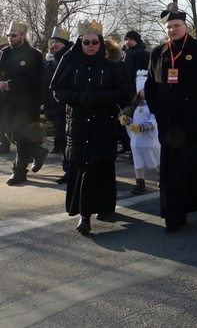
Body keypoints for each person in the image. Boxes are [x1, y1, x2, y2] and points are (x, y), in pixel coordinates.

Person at [144, 4, 197, 233]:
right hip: (169, 124)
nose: (172, 30)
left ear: (185, 26)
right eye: (168, 26)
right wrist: (157, 109)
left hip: (194, 122)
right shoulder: (157, 52)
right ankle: (174, 215)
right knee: (171, 172)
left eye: (176, 25)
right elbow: (150, 85)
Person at [50, 20, 130, 233]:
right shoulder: (71, 66)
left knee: (101, 166)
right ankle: (84, 215)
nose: (91, 45)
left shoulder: (111, 68)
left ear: (101, 44)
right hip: (78, 124)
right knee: (82, 166)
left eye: (95, 42)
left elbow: (123, 92)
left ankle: (104, 207)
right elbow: (58, 91)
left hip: (103, 125)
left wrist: (100, 98)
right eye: (87, 42)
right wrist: (78, 97)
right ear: (80, 43)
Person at [1, 21, 48, 185]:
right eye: (9, 36)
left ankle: (19, 172)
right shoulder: (4, 53)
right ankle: (37, 152)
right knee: (10, 133)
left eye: (13, 36)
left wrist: (10, 84)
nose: (10, 39)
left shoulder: (33, 54)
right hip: (6, 101)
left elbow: (35, 79)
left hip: (25, 103)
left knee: (20, 134)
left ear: (22, 35)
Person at [122, 70, 160, 194]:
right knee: (138, 162)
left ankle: (164, 177)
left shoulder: (154, 105)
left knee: (156, 159)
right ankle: (140, 182)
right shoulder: (136, 106)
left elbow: (154, 121)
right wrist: (128, 121)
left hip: (149, 140)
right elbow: (134, 120)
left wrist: (142, 127)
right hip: (137, 141)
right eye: (143, 90)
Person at [44, 26, 73, 183]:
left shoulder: (69, 59)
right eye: (52, 42)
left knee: (69, 140)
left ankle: (72, 170)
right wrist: (47, 107)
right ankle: (67, 169)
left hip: (67, 107)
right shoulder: (52, 60)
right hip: (55, 107)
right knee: (62, 141)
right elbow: (47, 85)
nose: (54, 45)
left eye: (57, 42)